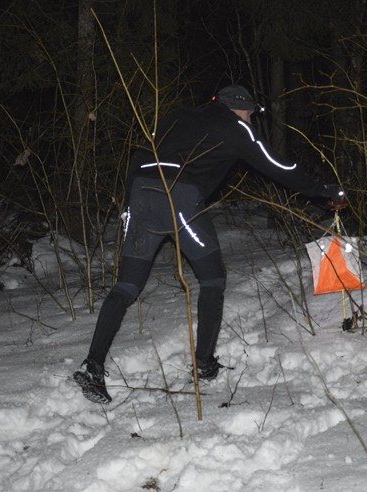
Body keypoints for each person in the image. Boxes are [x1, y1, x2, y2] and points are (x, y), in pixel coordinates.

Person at [74, 84, 344, 404]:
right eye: (249, 113)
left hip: (140, 195)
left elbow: (141, 152)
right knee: (213, 279)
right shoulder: (234, 127)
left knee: (126, 287)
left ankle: (92, 367)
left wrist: (129, 202)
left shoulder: (178, 118)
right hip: (177, 196)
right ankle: (203, 364)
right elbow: (278, 168)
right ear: (239, 108)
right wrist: (325, 191)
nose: (250, 119)